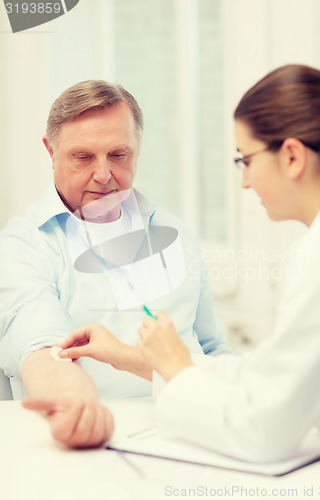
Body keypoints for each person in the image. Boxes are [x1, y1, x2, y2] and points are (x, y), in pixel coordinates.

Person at [55, 65, 320, 487]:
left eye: (245, 160)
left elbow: (261, 429)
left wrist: (178, 369)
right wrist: (154, 360)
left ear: (293, 156)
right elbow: (269, 377)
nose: (244, 182)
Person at [0, 80, 232, 448]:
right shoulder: (24, 245)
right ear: (51, 151)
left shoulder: (175, 232)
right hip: (91, 438)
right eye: (83, 157)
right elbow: (43, 350)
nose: (104, 175)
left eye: (119, 155)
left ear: (137, 149)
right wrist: (75, 405)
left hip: (195, 432)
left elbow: (211, 345)